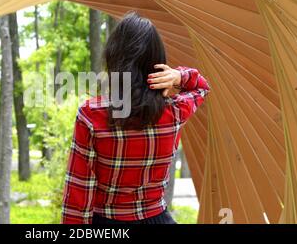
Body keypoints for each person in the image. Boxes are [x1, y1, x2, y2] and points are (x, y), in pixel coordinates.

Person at [61, 12, 210, 224]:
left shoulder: (92, 115)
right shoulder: (175, 111)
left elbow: (79, 190)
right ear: (157, 64)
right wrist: (179, 76)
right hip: (157, 218)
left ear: (113, 58)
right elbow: (202, 87)